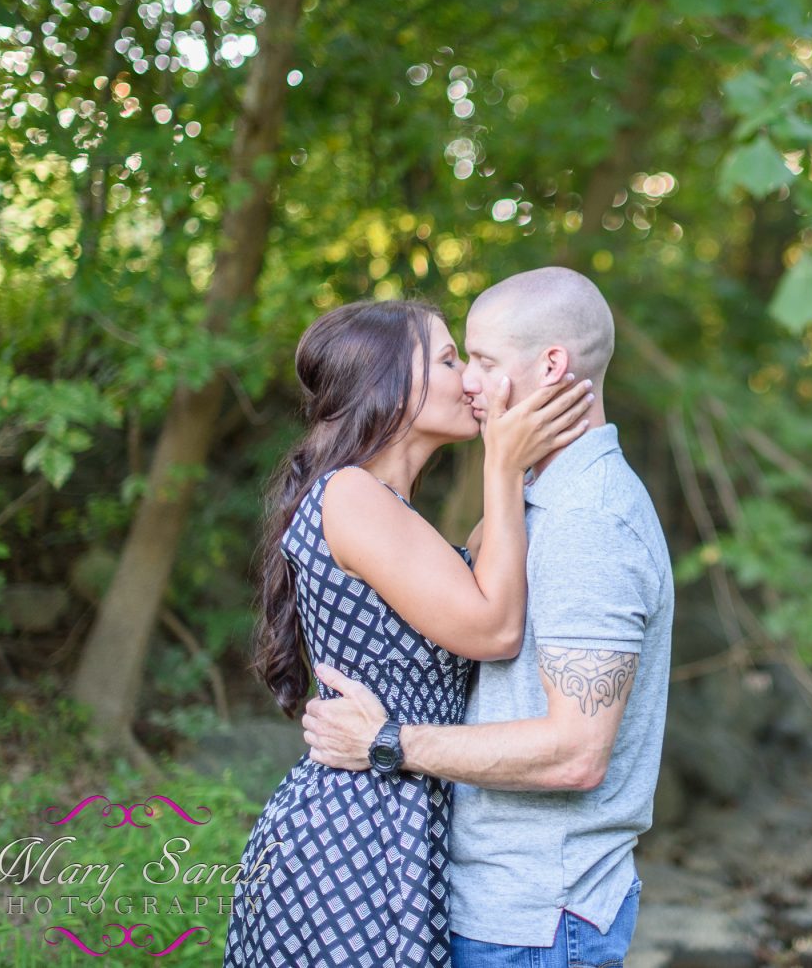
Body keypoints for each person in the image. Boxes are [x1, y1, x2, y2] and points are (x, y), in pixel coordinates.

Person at [303, 267, 674, 968]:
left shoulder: (587, 520)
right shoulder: (542, 502)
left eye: (482, 360)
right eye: (457, 360)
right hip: (486, 900)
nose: (469, 381)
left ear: (552, 366)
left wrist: (387, 742)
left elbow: (576, 752)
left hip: (535, 919)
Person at [223, 297, 594, 967]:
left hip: (394, 820)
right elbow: (495, 628)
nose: (469, 380)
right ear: (388, 383)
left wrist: (530, 453)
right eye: (450, 360)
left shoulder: (389, 511)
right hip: (352, 836)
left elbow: (498, 570)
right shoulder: (351, 495)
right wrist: (502, 467)